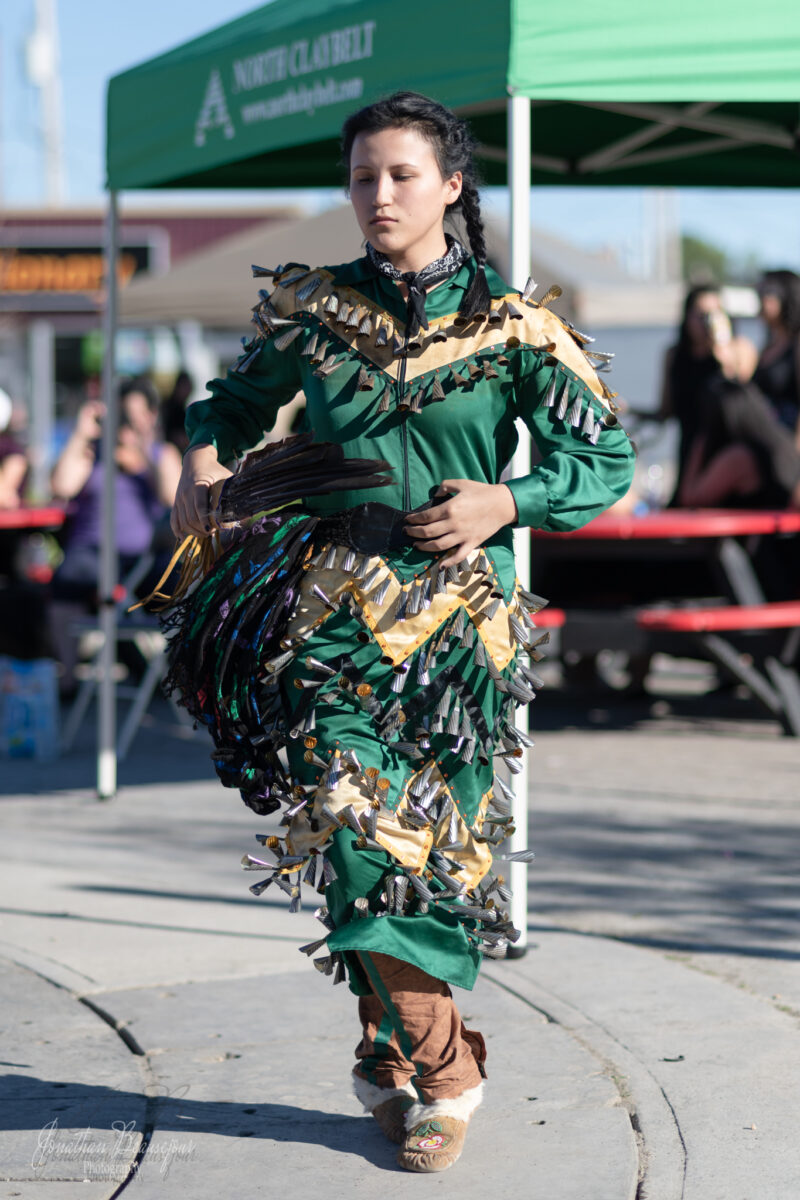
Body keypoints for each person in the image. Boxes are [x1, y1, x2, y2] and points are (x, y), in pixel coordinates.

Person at [168, 92, 635, 1173]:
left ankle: (386, 1051)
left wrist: (506, 503)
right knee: (347, 819)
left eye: (400, 176)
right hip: (331, 616)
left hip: (461, 636)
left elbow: (602, 460)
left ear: (450, 187)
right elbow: (227, 408)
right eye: (362, 177)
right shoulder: (314, 310)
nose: (377, 195)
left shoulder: (517, 323)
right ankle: (449, 1069)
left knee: (431, 852)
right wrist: (204, 468)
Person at [49, 377, 182, 694]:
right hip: (90, 554)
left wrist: (143, 447)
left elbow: (173, 497)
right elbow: (62, 487)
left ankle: (173, 674)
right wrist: (82, 432)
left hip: (142, 559)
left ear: (151, 415)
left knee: (184, 584)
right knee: (69, 579)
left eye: (134, 415)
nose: (127, 423)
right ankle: (68, 682)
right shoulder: (92, 452)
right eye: (122, 415)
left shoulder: (160, 454)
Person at [658, 286, 757, 501]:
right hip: (689, 448)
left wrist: (721, 345)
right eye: (701, 315)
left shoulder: (740, 349)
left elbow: (742, 391)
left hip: (723, 452)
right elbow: (666, 410)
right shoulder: (674, 355)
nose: (707, 322)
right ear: (687, 317)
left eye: (714, 314)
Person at [752, 269, 800, 444]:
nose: (760, 300)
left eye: (766, 293)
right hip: (766, 439)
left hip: (787, 444)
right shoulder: (768, 345)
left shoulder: (796, 344)